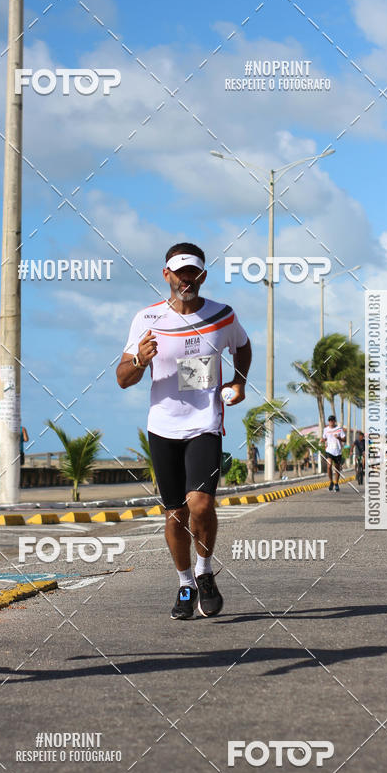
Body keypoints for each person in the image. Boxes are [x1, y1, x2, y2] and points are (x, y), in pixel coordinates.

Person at [116, 242, 251, 620]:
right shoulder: (146, 319)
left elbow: (242, 345)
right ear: (166, 275)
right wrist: (140, 361)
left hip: (205, 423)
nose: (186, 279)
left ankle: (206, 572)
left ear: (202, 275)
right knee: (175, 514)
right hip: (163, 426)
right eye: (179, 272)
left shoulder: (221, 316)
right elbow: (122, 378)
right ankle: (185, 582)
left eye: (193, 272)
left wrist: (239, 382)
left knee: (201, 503)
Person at [322, 414, 346, 492]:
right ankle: (331, 482)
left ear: (335, 421)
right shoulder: (325, 429)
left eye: (332, 420)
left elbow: (344, 439)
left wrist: (338, 437)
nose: (331, 422)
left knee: (337, 469)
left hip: (337, 451)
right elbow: (324, 438)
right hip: (329, 450)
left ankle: (336, 483)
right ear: (328, 422)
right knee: (329, 466)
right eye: (330, 420)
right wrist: (322, 440)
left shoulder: (339, 429)